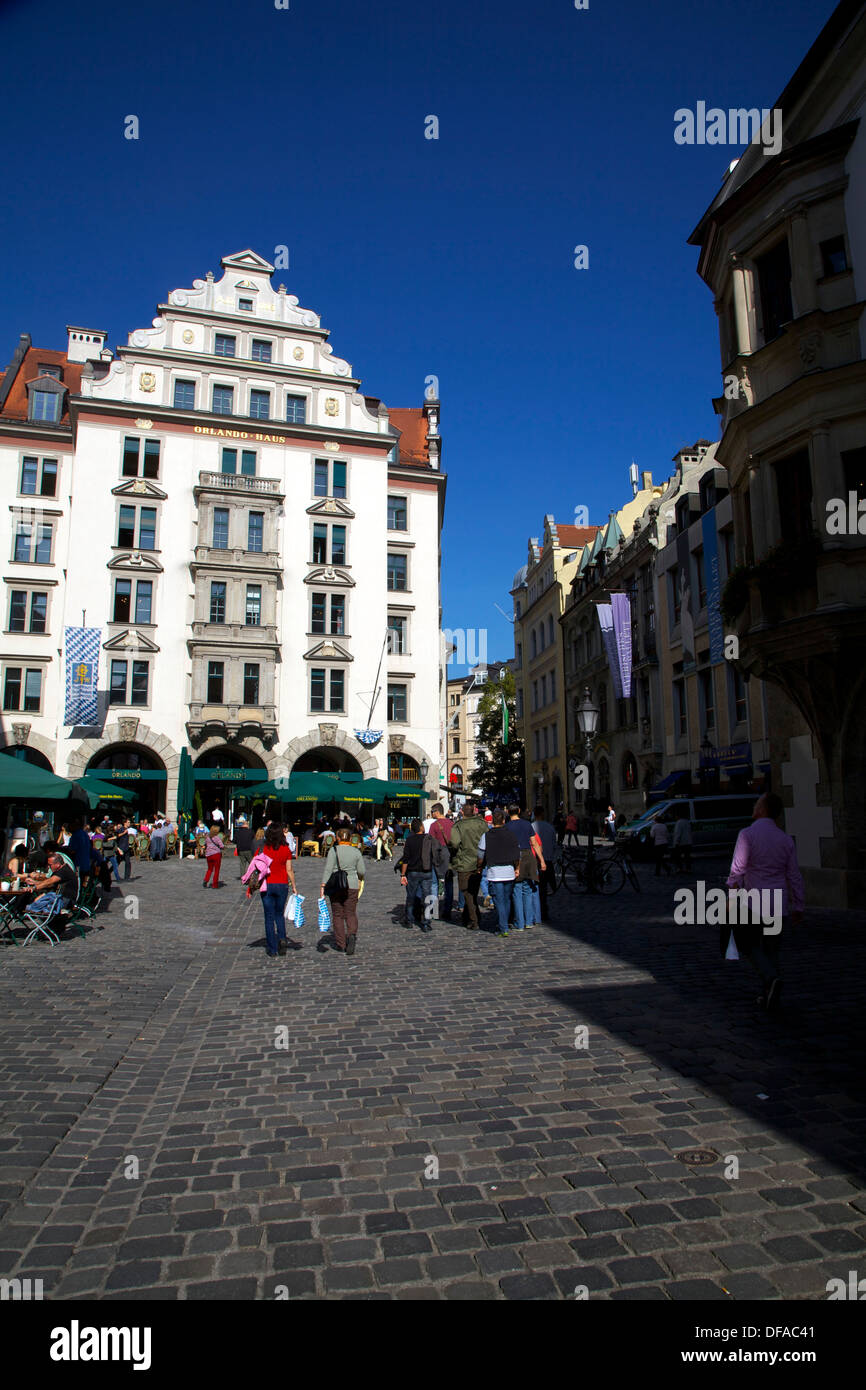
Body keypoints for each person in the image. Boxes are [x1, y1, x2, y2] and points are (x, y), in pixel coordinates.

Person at [726, 792, 805, 1011]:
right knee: (772, 950)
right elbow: (794, 875)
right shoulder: (785, 839)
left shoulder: (747, 835)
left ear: (763, 809)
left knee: (747, 944)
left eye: (757, 803)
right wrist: (798, 905)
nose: (754, 805)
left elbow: (737, 870)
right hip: (778, 903)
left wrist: (731, 896)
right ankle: (770, 992)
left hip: (754, 902)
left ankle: (770, 979)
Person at [320, 827, 365, 955]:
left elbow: (328, 869)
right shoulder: (356, 851)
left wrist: (323, 884)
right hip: (351, 884)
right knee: (350, 912)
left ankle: (341, 943)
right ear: (350, 838)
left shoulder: (333, 851)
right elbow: (362, 871)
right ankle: (351, 934)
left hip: (336, 886)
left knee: (338, 914)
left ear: (338, 838)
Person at [478, 808, 520, 937]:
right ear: (503, 821)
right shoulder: (511, 834)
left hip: (495, 872)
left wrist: (479, 867)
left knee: (499, 901)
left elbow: (481, 854)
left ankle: (503, 927)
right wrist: (517, 868)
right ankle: (504, 924)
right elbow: (517, 854)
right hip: (509, 871)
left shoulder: (487, 836)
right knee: (506, 900)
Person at [258, 823, 298, 960]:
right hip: (282, 884)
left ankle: (272, 948)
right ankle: (282, 938)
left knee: (269, 917)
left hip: (267, 884)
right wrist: (294, 885)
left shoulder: (265, 849)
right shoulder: (286, 849)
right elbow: (289, 870)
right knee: (279, 914)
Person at [448, 800, 486, 930]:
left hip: (464, 862)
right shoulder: (482, 824)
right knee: (474, 891)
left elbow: (454, 843)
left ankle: (474, 920)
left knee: (467, 892)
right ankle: (469, 916)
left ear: (462, 812)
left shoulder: (458, 826)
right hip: (480, 862)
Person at [506, 805, 544, 931]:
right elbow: (534, 843)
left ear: (508, 812)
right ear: (519, 811)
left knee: (517, 891)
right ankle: (529, 921)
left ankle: (519, 922)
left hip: (515, 857)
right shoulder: (527, 824)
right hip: (528, 856)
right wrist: (542, 861)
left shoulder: (507, 827)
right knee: (528, 889)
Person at [397, 818, 434, 931]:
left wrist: (403, 874)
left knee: (411, 896)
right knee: (428, 896)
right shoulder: (428, 839)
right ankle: (427, 922)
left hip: (413, 871)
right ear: (422, 827)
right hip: (426, 871)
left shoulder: (409, 840)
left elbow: (406, 859)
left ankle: (409, 920)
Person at [24, 851, 79, 918]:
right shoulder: (61, 870)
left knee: (33, 904)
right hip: (62, 899)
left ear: (58, 864)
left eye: (50, 865)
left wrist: (34, 888)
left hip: (65, 901)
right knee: (38, 900)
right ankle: (50, 924)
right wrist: (34, 882)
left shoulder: (63, 871)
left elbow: (50, 882)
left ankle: (23, 910)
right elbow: (50, 883)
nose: (48, 867)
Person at [428, 802, 459, 921]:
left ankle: (433, 911)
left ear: (437, 812)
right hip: (449, 856)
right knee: (449, 884)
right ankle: (447, 910)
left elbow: (431, 842)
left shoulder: (434, 825)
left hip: (436, 856)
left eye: (432, 812)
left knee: (434, 884)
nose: (431, 814)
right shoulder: (452, 824)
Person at [531, 806, 558, 923]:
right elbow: (554, 844)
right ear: (542, 814)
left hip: (536, 861)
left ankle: (537, 911)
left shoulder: (531, 827)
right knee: (544, 887)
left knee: (536, 888)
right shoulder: (549, 827)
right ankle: (543, 910)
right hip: (548, 860)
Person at [66, 818, 93, 884]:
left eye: (70, 826)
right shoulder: (84, 834)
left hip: (78, 865)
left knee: (76, 882)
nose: (69, 828)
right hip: (86, 864)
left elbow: (72, 850)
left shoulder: (76, 835)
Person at [671, 807, 693, 873]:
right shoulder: (687, 822)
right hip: (688, 842)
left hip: (681, 843)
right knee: (687, 857)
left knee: (677, 857)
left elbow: (678, 833)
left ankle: (680, 868)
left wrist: (676, 842)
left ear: (678, 816)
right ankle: (688, 869)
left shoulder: (679, 823)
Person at [233, 815, 254, 879]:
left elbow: (234, 841)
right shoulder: (251, 831)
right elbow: (254, 839)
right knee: (251, 863)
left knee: (242, 864)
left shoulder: (238, 832)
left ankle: (243, 876)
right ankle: (252, 875)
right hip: (249, 849)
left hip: (241, 850)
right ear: (247, 825)